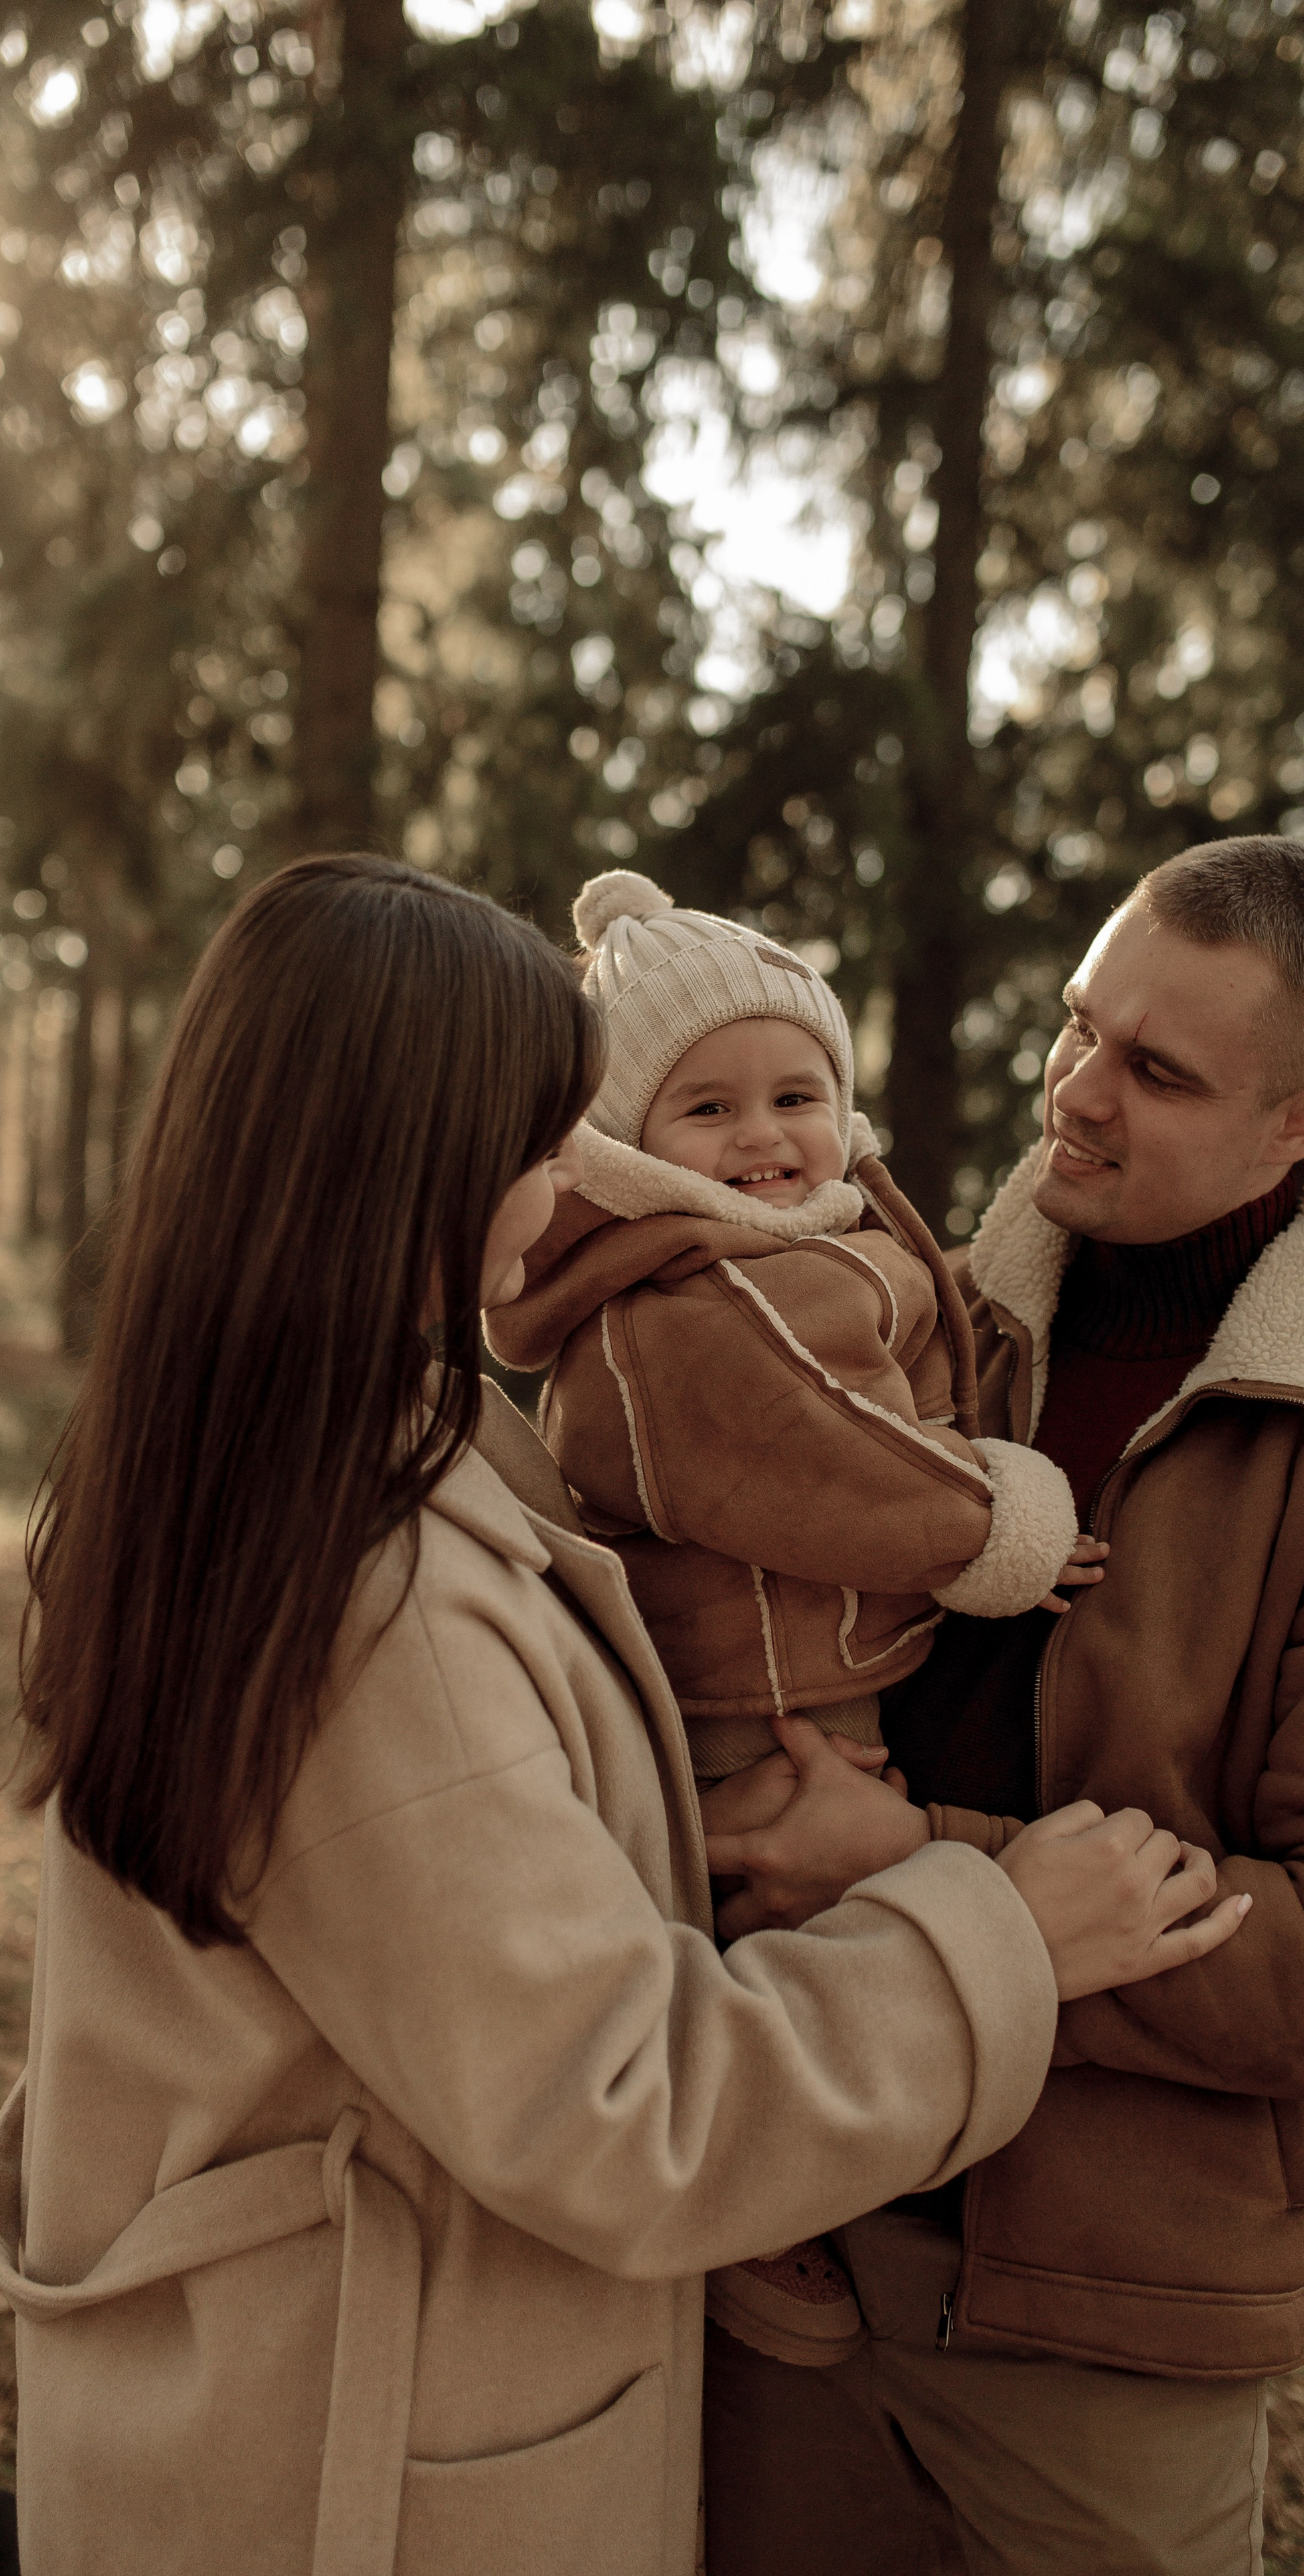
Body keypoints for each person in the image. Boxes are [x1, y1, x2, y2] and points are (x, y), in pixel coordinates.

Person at [0, 854, 1244, 2576]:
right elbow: (623, 2103)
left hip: (267, 2413)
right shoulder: (368, 1600)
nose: (573, 1173)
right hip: (379, 2481)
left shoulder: (219, 1469)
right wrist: (999, 1931)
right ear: (416, 1161)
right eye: (539, 1131)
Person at [702, 836, 1304, 2576]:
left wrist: (927, 1869)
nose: (1075, 1092)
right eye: (1079, 1029)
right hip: (787, 2235)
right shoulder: (911, 1324)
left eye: (1156, 1071)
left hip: (1107, 2342)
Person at [488, 866, 1104, 2368]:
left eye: (795, 1093)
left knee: (809, 1899)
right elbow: (817, 1463)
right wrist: (994, 1523)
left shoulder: (785, 1245)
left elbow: (900, 1352)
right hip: (743, 1689)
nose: (762, 1137)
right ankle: (757, 2219)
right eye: (705, 1110)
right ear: (624, 1144)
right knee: (772, 1915)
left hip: (815, 1662)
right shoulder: (683, 1307)